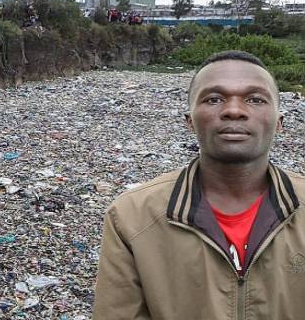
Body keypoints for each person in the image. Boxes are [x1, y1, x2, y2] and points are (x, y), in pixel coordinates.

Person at [93, 50, 305, 319]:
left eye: (255, 99)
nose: (234, 110)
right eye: (214, 99)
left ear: (280, 123)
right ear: (189, 120)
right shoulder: (132, 216)